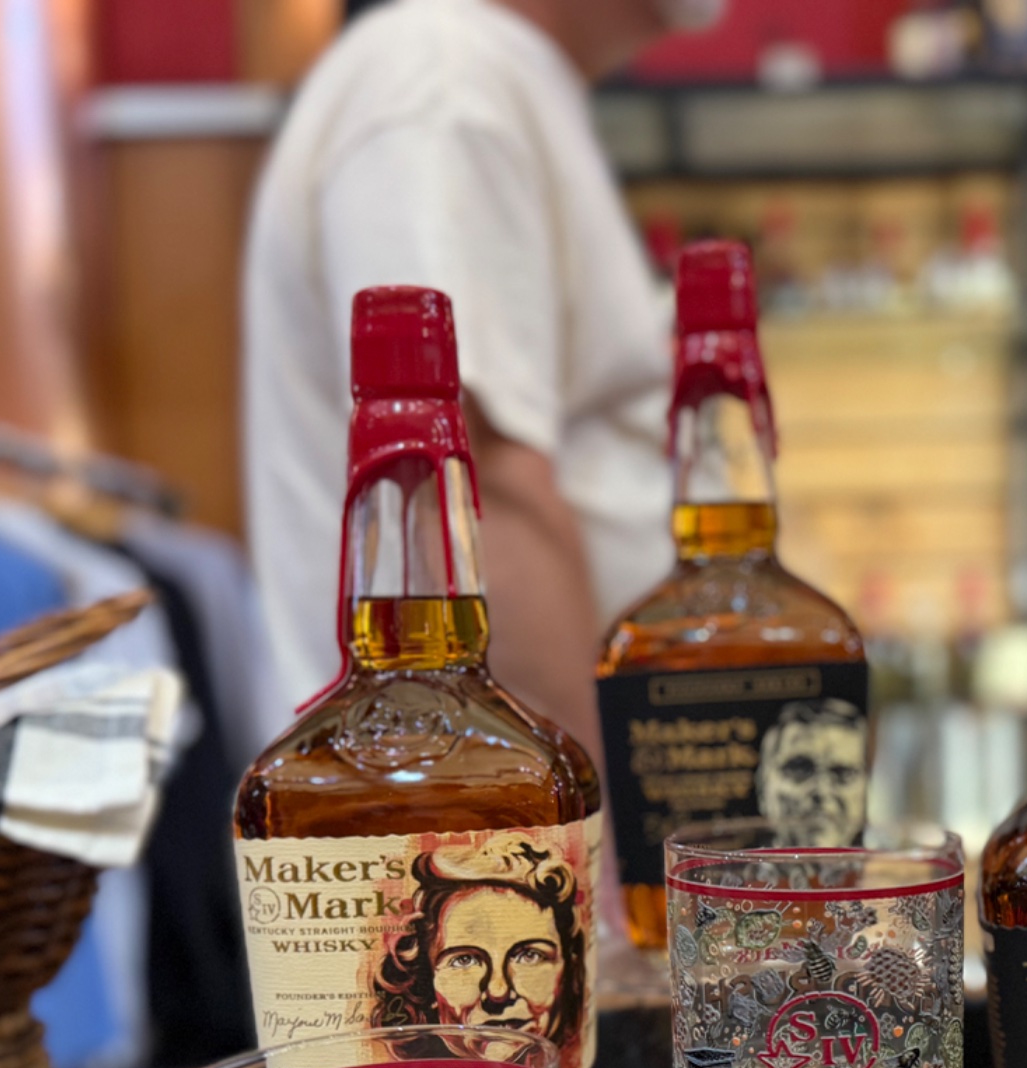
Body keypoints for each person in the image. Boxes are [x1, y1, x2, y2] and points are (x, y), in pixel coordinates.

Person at [243, 0, 727, 758]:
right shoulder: (445, 81)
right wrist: (581, 820)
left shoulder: (475, 77)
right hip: (484, 808)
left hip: (510, 800)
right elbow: (473, 494)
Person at [372, 833, 588, 1068]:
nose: (498, 992)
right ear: (425, 982)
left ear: (568, 970)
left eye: (529, 955)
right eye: (464, 960)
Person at [756, 698, 869, 847]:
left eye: (843, 774)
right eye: (800, 769)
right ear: (762, 785)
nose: (822, 791)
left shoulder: (890, 856)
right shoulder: (732, 862)